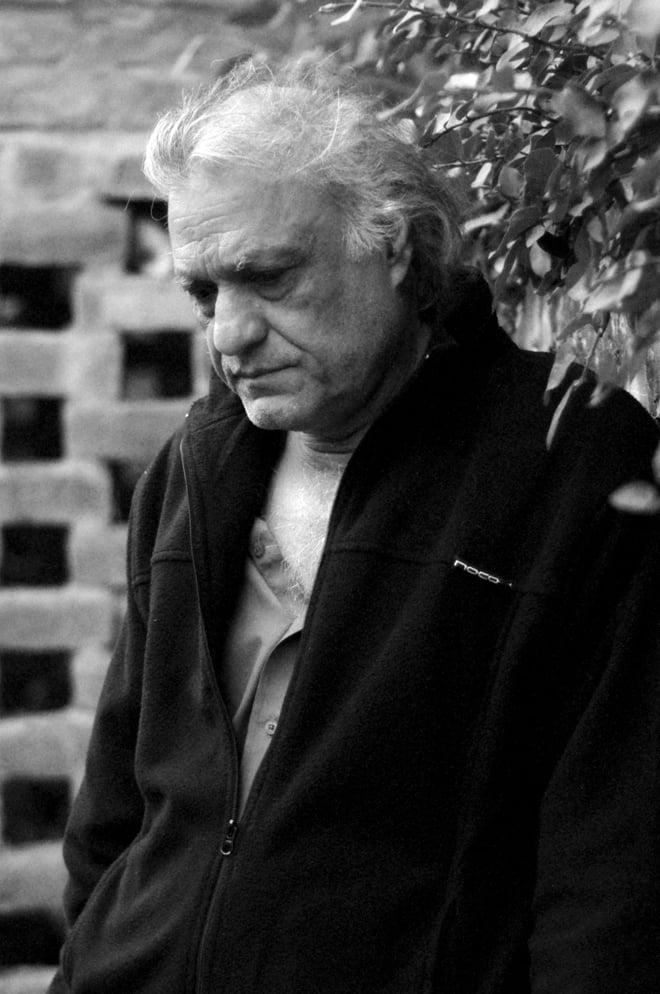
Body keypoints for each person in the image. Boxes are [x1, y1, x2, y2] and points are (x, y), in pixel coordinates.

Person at [50, 60, 660, 994]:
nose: (229, 334)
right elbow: (116, 813)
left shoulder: (569, 460)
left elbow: (613, 872)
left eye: (268, 278)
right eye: (205, 295)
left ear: (397, 249)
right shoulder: (193, 468)